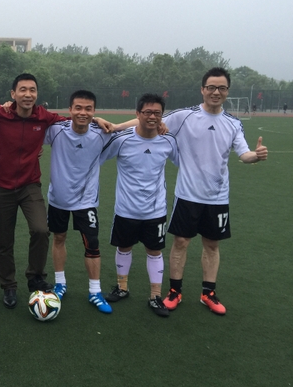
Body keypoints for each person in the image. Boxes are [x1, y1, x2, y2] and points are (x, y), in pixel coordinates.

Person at [0, 74, 113, 309]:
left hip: (30, 185)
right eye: (22, 90)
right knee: (4, 239)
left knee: (41, 229)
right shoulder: (0, 114)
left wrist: (95, 118)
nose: (28, 94)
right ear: (13, 94)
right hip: (2, 186)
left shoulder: (44, 117)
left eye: (32, 90)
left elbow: (75, 119)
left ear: (37, 94)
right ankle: (8, 285)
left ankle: (35, 276)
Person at [162, 67, 268, 315]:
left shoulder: (233, 123)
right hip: (187, 194)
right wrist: (115, 126)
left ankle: (208, 293)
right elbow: (152, 120)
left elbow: (244, 154)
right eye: (211, 87)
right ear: (202, 89)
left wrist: (256, 156)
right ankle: (175, 291)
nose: (216, 92)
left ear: (227, 91)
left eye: (221, 88)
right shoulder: (185, 116)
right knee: (181, 242)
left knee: (211, 245)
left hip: (217, 197)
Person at [101, 93, 179, 317]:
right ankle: (122, 288)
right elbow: (97, 156)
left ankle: (155, 297)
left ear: (162, 116)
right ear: (137, 113)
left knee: (154, 251)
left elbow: (183, 162)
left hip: (155, 210)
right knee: (124, 247)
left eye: (157, 113)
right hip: (126, 209)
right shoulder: (122, 140)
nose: (152, 117)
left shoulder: (168, 140)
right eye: (147, 112)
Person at [45, 90, 118, 314]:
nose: (83, 113)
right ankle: (60, 284)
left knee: (92, 245)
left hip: (86, 202)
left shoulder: (102, 133)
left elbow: (136, 125)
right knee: (59, 238)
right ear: (70, 109)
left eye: (88, 109)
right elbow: (31, 122)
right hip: (58, 199)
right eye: (78, 108)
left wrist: (100, 121)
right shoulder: (56, 130)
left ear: (94, 111)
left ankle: (95, 291)